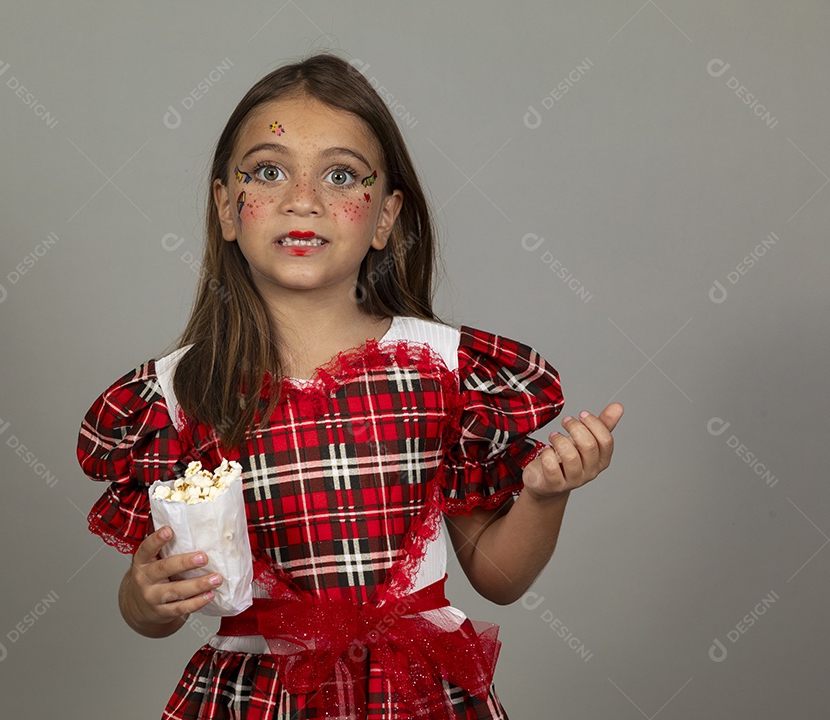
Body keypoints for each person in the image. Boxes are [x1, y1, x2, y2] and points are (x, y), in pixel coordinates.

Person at [76, 53, 623, 720]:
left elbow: (498, 580)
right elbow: (152, 609)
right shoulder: (180, 395)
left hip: (418, 696)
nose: (302, 198)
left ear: (385, 217)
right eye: (268, 171)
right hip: (255, 697)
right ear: (226, 206)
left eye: (340, 176)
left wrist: (544, 496)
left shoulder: (442, 371)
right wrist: (145, 595)